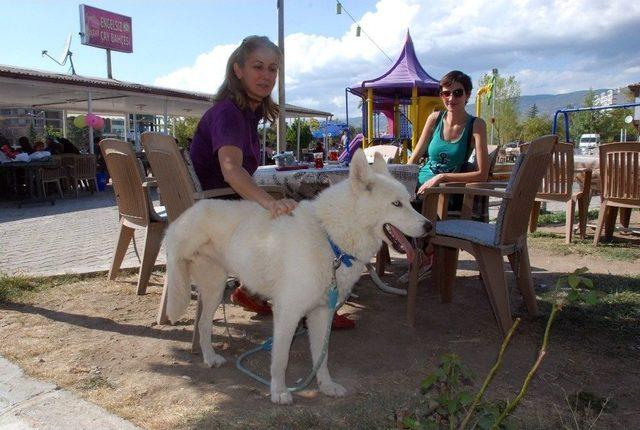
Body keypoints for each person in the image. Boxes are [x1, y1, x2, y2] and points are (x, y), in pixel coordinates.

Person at [189, 35, 355, 329]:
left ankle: (250, 291)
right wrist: (269, 202)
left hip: (220, 208)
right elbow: (231, 169)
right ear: (238, 70)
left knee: (303, 213)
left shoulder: (244, 114)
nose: (267, 76)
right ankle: (312, 309)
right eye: (258, 67)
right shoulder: (229, 113)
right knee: (311, 229)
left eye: (272, 69)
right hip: (220, 215)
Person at [404, 70, 489, 282]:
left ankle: (424, 255)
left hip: (449, 188)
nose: (451, 98)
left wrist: (442, 178)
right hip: (423, 180)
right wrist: (401, 178)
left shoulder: (476, 125)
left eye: (457, 93)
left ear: (467, 95)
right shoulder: (435, 118)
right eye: (446, 93)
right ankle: (422, 255)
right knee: (393, 200)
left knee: (415, 202)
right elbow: (414, 157)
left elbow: (482, 174)